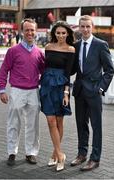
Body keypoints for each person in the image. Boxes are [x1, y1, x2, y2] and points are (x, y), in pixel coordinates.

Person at [0, 18, 45, 166]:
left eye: (32, 30)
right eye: (27, 30)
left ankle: (31, 153)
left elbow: (44, 72)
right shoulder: (13, 51)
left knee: (33, 124)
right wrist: (2, 90)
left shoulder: (39, 52)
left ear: (35, 32)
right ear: (22, 31)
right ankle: (12, 151)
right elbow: (4, 70)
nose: (30, 32)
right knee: (14, 123)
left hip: (33, 91)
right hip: (17, 91)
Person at [70, 15, 114, 171]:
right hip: (80, 91)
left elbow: (109, 70)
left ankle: (95, 158)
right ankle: (82, 154)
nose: (85, 29)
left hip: (95, 92)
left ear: (92, 27)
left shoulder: (101, 45)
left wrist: (101, 88)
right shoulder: (75, 45)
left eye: (88, 26)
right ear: (79, 27)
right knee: (81, 124)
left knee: (96, 126)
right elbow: (73, 69)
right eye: (82, 26)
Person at [40, 21, 75, 171]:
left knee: (59, 121)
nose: (60, 35)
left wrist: (66, 93)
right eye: (58, 33)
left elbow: (68, 73)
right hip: (48, 85)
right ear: (54, 33)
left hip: (61, 87)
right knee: (50, 120)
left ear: (67, 34)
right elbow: (45, 66)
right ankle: (61, 155)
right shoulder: (48, 47)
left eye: (63, 33)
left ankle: (55, 154)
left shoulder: (71, 49)